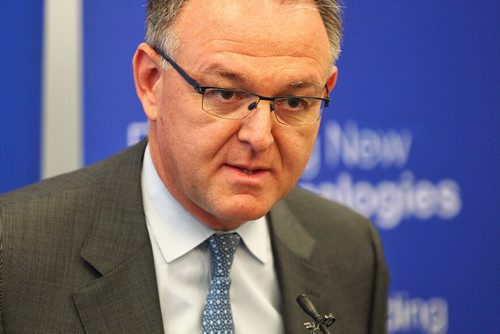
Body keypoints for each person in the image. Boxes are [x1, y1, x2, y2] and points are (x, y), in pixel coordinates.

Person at [0, 0, 389, 333]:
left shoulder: (350, 250)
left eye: (294, 101)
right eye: (225, 93)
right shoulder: (16, 254)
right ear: (151, 81)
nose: (260, 136)